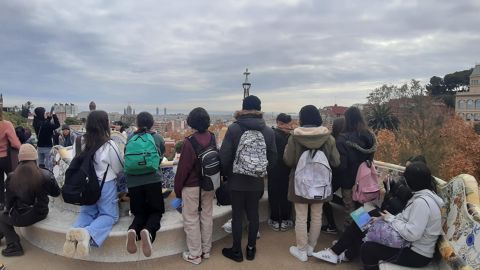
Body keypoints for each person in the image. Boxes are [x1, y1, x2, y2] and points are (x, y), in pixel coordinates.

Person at [313, 157, 425, 264]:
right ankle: (343, 246)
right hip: (389, 215)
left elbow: (399, 208)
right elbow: (393, 199)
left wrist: (391, 194)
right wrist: (389, 186)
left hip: (394, 222)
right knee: (360, 215)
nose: (405, 172)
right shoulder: (408, 184)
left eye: (408, 169)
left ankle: (341, 252)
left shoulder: (416, 194)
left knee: (366, 221)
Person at [220, 95, 277, 262]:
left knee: (237, 215)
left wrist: (228, 174)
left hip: (236, 181)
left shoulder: (234, 129)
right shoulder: (267, 131)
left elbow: (224, 157)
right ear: (259, 109)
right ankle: (251, 249)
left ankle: (236, 251)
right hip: (256, 182)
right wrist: (261, 171)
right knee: (254, 215)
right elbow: (273, 158)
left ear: (243, 109)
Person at [360, 162, 443, 270]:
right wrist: (389, 218)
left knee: (367, 245)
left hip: (416, 254)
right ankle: (341, 250)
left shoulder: (422, 202)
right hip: (399, 232)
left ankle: (339, 251)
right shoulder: (422, 196)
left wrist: (390, 219)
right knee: (362, 219)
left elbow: (412, 234)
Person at [63, 110, 124, 258]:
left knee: (87, 212)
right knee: (109, 216)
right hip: (105, 185)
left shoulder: (79, 141)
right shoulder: (109, 144)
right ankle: (88, 233)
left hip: (84, 185)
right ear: (105, 124)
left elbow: (74, 161)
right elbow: (118, 167)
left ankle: (74, 231)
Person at [284, 105, 340, 262]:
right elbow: (336, 162)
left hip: (299, 184)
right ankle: (310, 248)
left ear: (302, 119)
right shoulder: (328, 138)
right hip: (321, 184)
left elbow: (288, 160)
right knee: (317, 216)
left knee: (301, 217)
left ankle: (300, 250)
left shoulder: (294, 137)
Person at [0, 144, 61, 256]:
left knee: (1, 216)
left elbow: (8, 203)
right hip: (40, 213)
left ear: (19, 159)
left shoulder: (11, 176)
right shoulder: (46, 174)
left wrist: (7, 213)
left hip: (19, 215)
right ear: (35, 157)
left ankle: (14, 245)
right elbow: (56, 193)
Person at [174, 107, 216, 264]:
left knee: (191, 219)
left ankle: (195, 255)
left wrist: (178, 191)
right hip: (209, 184)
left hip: (192, 187)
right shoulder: (212, 137)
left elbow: (182, 170)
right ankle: (206, 250)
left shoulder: (189, 142)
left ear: (191, 123)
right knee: (206, 216)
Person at [125, 112, 165, 257]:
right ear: (152, 123)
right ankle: (148, 231)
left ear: (137, 123)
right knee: (156, 211)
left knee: (140, 212)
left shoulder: (130, 138)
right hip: (153, 180)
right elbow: (160, 158)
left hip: (133, 182)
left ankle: (133, 230)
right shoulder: (157, 138)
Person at [336, 107, 376, 226]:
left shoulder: (342, 139)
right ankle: (362, 237)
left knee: (350, 209)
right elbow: (370, 157)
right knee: (361, 209)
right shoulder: (369, 135)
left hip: (348, 181)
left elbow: (341, 165)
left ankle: (349, 240)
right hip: (364, 180)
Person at [267, 113, 294, 232]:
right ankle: (285, 220)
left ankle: (274, 219)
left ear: (278, 122)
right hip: (287, 170)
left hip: (273, 169)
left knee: (273, 195)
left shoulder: (271, 134)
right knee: (286, 196)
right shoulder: (291, 137)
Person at [321, 117, 345, 234]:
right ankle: (363, 235)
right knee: (357, 207)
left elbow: (335, 162)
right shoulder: (359, 139)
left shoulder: (337, 141)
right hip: (354, 180)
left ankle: (332, 226)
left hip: (340, 178)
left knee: (324, 199)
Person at [0, 111, 22, 210]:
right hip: (5, 158)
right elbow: (14, 143)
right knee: (12, 180)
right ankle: (12, 202)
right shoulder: (6, 124)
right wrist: (21, 148)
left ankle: (1, 203)